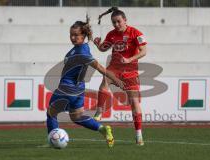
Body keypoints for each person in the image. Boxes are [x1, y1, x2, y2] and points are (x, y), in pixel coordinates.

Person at [46, 17, 124, 148]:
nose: (72, 38)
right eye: (71, 35)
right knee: (77, 117)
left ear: (83, 36)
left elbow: (100, 68)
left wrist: (115, 79)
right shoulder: (81, 48)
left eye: (76, 35)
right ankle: (102, 129)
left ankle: (52, 141)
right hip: (78, 89)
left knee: (51, 113)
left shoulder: (81, 52)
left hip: (67, 87)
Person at [93, 7, 147, 146]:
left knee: (134, 103)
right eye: (114, 22)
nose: (116, 25)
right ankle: (99, 112)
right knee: (104, 81)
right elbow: (104, 48)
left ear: (125, 20)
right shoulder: (112, 34)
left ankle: (138, 135)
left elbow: (144, 51)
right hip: (115, 68)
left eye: (118, 22)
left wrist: (130, 59)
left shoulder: (135, 33)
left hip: (130, 70)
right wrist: (98, 44)